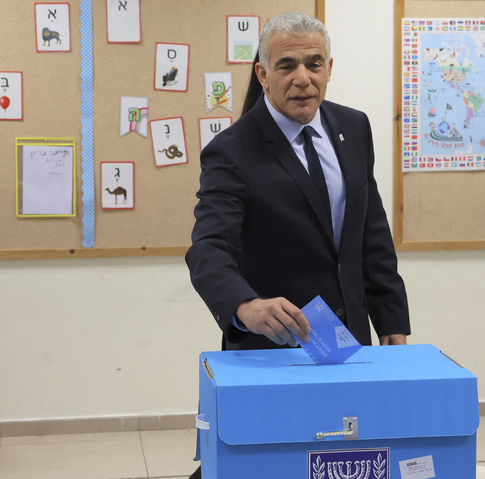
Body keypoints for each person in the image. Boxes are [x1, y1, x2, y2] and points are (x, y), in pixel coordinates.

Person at [185, 12, 410, 477]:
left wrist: (392, 321)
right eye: (287, 65)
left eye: (314, 63)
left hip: (347, 340)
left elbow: (371, 234)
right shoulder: (233, 149)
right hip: (273, 344)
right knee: (273, 464)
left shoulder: (354, 127)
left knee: (346, 458)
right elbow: (208, 249)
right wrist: (245, 305)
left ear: (330, 67)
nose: (303, 78)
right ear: (263, 74)